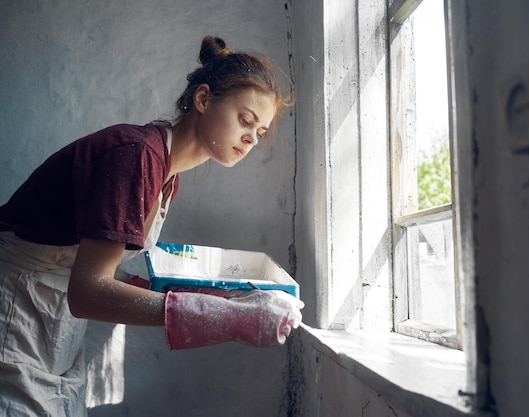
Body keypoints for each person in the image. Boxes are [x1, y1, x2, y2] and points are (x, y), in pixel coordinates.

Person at [0, 35, 304, 416]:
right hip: (17, 307)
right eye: (246, 119)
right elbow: (89, 291)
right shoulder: (138, 153)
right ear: (204, 99)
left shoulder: (166, 172)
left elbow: (97, 273)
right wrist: (226, 318)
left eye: (259, 133)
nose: (251, 139)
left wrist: (220, 297)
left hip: (51, 315)